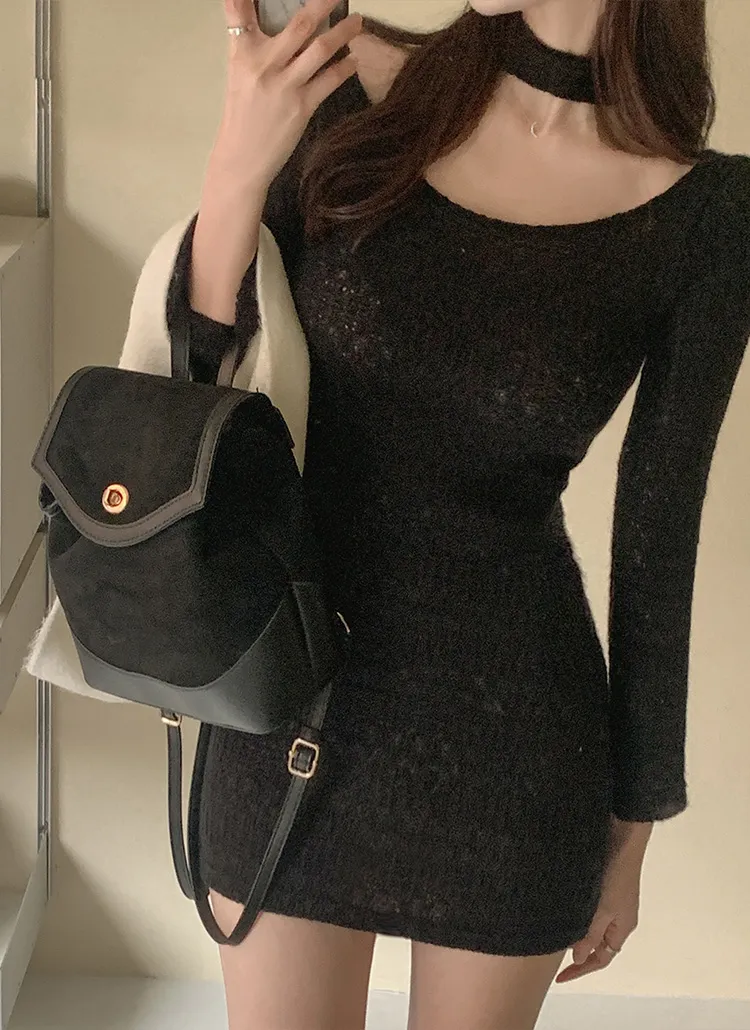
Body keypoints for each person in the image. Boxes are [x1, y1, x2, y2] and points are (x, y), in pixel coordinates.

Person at [165, 0, 750, 1026]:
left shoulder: (710, 215)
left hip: (513, 746)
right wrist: (235, 168)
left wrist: (637, 813)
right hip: (286, 695)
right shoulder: (345, 81)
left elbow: (659, 536)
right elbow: (199, 393)